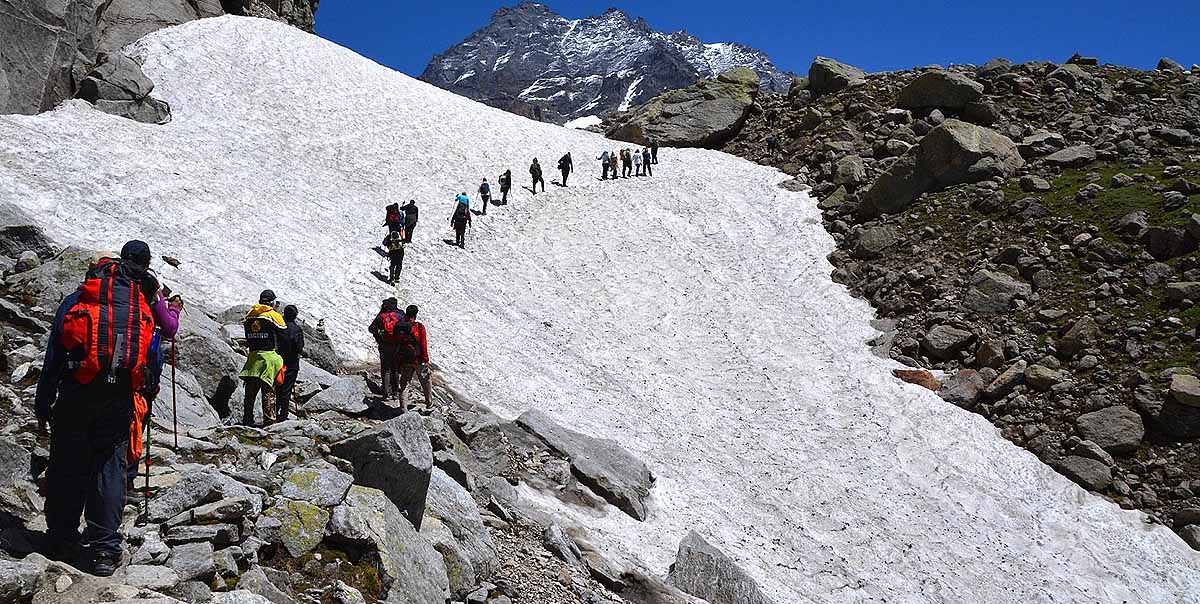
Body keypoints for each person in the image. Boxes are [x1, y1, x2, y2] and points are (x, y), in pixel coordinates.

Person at [36, 240, 181, 576]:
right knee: (110, 468)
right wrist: (147, 390)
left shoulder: (81, 299)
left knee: (66, 464)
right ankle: (104, 549)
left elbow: (55, 353)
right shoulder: (141, 304)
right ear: (145, 265)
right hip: (118, 399)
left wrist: (44, 402)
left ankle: (60, 539)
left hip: (76, 392)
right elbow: (153, 354)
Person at [239, 290, 286, 427]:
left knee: (250, 393)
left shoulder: (250, 315)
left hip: (253, 357)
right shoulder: (273, 316)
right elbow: (283, 334)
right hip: (268, 358)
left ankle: (247, 420)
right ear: (271, 302)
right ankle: (269, 421)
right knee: (268, 392)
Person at [369, 298, 421, 405]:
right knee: (395, 368)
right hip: (397, 345)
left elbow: (371, 329)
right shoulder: (400, 315)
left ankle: (385, 393)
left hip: (384, 345)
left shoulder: (382, 316)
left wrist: (379, 336)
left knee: (386, 369)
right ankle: (395, 392)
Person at [397, 304, 431, 408]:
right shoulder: (419, 327)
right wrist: (426, 359)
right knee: (425, 380)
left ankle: (403, 407)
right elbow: (423, 344)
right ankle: (429, 402)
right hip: (418, 359)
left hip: (405, 359)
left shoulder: (400, 326)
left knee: (404, 383)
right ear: (416, 314)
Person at [274, 304, 304, 422]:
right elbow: (299, 347)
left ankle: (273, 413)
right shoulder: (297, 329)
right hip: (292, 364)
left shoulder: (279, 327)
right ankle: (283, 415)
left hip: (278, 362)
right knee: (287, 390)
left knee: (277, 388)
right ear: (295, 315)